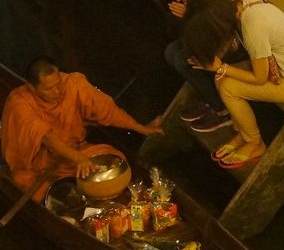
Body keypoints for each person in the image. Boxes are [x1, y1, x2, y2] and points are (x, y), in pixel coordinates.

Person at [182, 0, 284, 169]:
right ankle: (243, 133)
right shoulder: (239, 5)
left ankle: (255, 143)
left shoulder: (252, 26)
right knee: (222, 78)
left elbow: (259, 78)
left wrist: (220, 67)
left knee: (228, 87)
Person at [0, 57, 163, 202]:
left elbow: (106, 110)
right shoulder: (19, 103)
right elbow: (48, 139)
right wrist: (79, 159)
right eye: (49, 89)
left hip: (77, 150)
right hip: (39, 167)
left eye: (58, 84)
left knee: (115, 160)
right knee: (39, 195)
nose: (57, 91)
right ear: (32, 88)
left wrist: (140, 128)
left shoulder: (73, 83)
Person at [155, 0, 254, 133]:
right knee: (171, 51)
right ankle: (214, 99)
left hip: (241, 43)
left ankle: (224, 111)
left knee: (183, 60)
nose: (177, 0)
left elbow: (223, 32)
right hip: (222, 38)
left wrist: (188, 16)